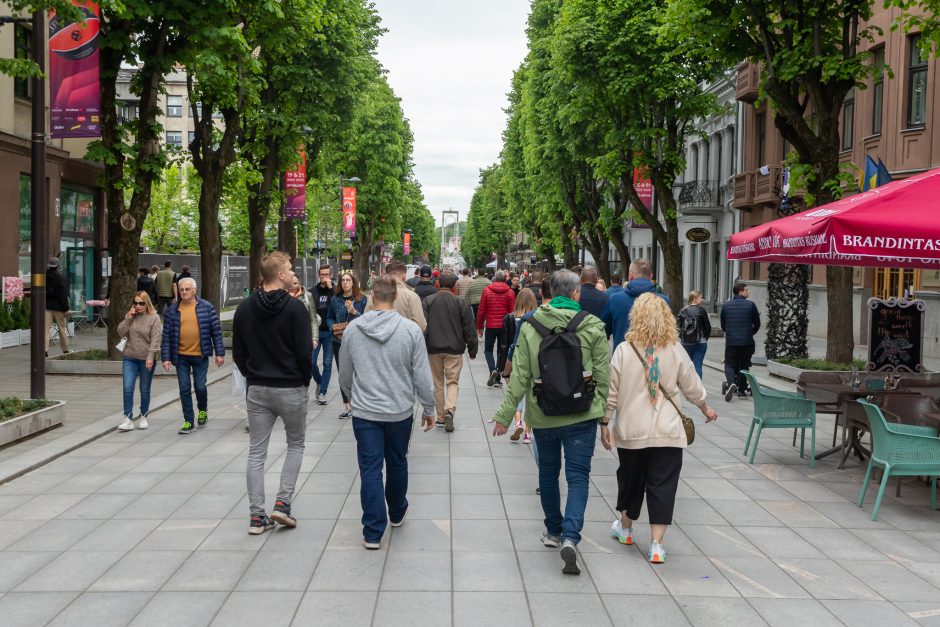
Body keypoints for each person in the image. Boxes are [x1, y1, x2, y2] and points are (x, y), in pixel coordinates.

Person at [491, 269, 609, 575]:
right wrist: (603, 414)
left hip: (543, 414)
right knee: (579, 476)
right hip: (582, 414)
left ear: (548, 292)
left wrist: (505, 416)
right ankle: (571, 535)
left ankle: (554, 531)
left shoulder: (530, 326)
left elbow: (519, 377)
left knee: (548, 473)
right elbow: (603, 375)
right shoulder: (592, 326)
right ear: (575, 294)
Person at [602, 293, 717, 563]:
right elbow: (691, 385)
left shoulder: (623, 350)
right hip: (667, 432)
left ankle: (626, 529)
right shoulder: (675, 348)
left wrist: (605, 422)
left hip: (632, 432)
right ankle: (656, 545)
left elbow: (611, 393)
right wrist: (704, 407)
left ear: (636, 317)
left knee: (632, 481)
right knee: (663, 486)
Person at [339, 277, 436, 549]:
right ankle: (396, 510)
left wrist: (350, 396)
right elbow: (421, 375)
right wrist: (428, 408)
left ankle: (372, 531)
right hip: (399, 411)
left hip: (365, 412)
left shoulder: (354, 330)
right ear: (395, 297)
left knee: (369, 469)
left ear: (371, 296)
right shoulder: (410, 331)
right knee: (397, 462)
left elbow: (345, 371)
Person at [233, 251, 313, 535]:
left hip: (257, 389)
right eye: (290, 269)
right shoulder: (295, 310)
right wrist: (305, 379)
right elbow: (304, 352)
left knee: (256, 453)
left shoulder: (244, 308)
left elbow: (238, 352)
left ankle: (256, 517)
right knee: (296, 444)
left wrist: (251, 374)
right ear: (279, 275)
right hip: (290, 386)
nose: (293, 273)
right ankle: (283, 503)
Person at [161, 277, 225, 434]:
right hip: (180, 356)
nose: (184, 292)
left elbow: (216, 332)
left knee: (200, 387)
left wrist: (219, 353)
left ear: (195, 290)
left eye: (187, 289)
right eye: (181, 289)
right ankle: (188, 421)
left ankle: (202, 409)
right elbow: (167, 336)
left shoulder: (207, 307)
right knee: (184, 389)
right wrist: (166, 357)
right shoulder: (172, 311)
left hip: (200, 355)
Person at [422, 271, 478, 432]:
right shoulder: (460, 303)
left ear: (438, 283)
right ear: (454, 286)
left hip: (433, 347)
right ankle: (449, 410)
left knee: (437, 383)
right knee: (452, 382)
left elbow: (423, 325)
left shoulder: (429, 301)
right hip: (454, 348)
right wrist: (472, 349)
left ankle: (440, 417)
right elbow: (469, 328)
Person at [117, 291, 162, 431]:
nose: (138, 306)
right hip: (130, 356)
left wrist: (150, 357)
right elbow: (120, 332)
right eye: (135, 303)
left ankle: (143, 415)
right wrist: (128, 318)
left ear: (146, 303)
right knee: (127, 387)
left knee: (144, 389)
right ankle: (128, 418)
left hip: (145, 359)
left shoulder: (154, 318)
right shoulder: (131, 315)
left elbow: (156, 339)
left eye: (141, 303)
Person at [601, 258, 668, 351]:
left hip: (623, 359)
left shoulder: (615, 299)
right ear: (651, 276)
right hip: (655, 361)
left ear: (630, 276)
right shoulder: (664, 301)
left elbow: (603, 331)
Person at [327, 270, 368, 418]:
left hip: (357, 341)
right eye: (342, 280)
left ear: (353, 283)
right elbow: (329, 317)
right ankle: (348, 405)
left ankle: (359, 402)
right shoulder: (335, 299)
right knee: (343, 373)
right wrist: (332, 326)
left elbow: (366, 319)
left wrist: (354, 311)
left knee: (358, 372)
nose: (345, 283)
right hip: (339, 340)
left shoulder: (361, 299)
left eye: (348, 280)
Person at [504, 288, 538, 444]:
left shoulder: (510, 318)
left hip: (518, 362)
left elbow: (510, 345)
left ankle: (518, 422)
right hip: (534, 364)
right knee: (531, 397)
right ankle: (527, 433)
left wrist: (506, 369)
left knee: (517, 394)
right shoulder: (537, 319)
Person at [720, 281, 761, 401]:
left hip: (732, 341)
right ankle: (742, 391)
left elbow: (723, 325)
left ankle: (731, 382)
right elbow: (757, 324)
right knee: (744, 365)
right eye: (746, 290)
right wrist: (749, 333)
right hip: (746, 342)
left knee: (729, 364)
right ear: (741, 291)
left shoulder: (726, 306)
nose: (748, 292)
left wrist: (731, 332)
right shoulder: (751, 305)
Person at [477, 270, 516, 387]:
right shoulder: (510, 292)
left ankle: (492, 369)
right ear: (505, 279)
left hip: (490, 325)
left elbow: (481, 310)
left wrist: (479, 326)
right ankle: (498, 378)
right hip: (504, 327)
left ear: (494, 278)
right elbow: (512, 312)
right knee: (502, 351)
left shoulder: (487, 291)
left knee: (488, 349)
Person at [367, 260, 427, 332]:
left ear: (386, 275)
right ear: (404, 276)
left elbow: (366, 320)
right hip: (404, 341)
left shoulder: (374, 294)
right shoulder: (412, 296)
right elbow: (421, 326)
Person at [311, 265, 334, 405]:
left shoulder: (335, 291)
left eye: (327, 274)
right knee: (311, 362)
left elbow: (339, 303)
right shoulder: (312, 291)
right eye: (322, 274)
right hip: (316, 332)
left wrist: (332, 288)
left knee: (327, 363)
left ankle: (323, 392)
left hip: (330, 332)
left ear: (331, 275)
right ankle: (319, 382)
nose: (324, 277)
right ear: (318, 275)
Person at [678, 290, 712, 379]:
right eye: (701, 298)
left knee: (687, 366)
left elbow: (678, 327)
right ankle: (698, 387)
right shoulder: (702, 311)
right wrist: (705, 338)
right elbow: (707, 327)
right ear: (694, 299)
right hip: (700, 342)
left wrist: (682, 338)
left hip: (686, 343)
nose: (702, 299)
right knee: (698, 366)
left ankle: (687, 387)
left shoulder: (682, 311)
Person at [45, 256, 70, 356]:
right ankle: (65, 350)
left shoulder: (43, 277)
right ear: (58, 266)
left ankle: (45, 350)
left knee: (45, 330)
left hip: (46, 307)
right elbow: (63, 295)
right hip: (59, 308)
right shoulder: (61, 278)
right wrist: (66, 308)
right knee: (62, 329)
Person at [289, 275, 320, 353]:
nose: (292, 286)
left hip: (304, 336)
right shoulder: (283, 295)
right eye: (290, 283)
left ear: (299, 283)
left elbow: (313, 318)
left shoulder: (308, 295)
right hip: (288, 337)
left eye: (295, 283)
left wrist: (314, 338)